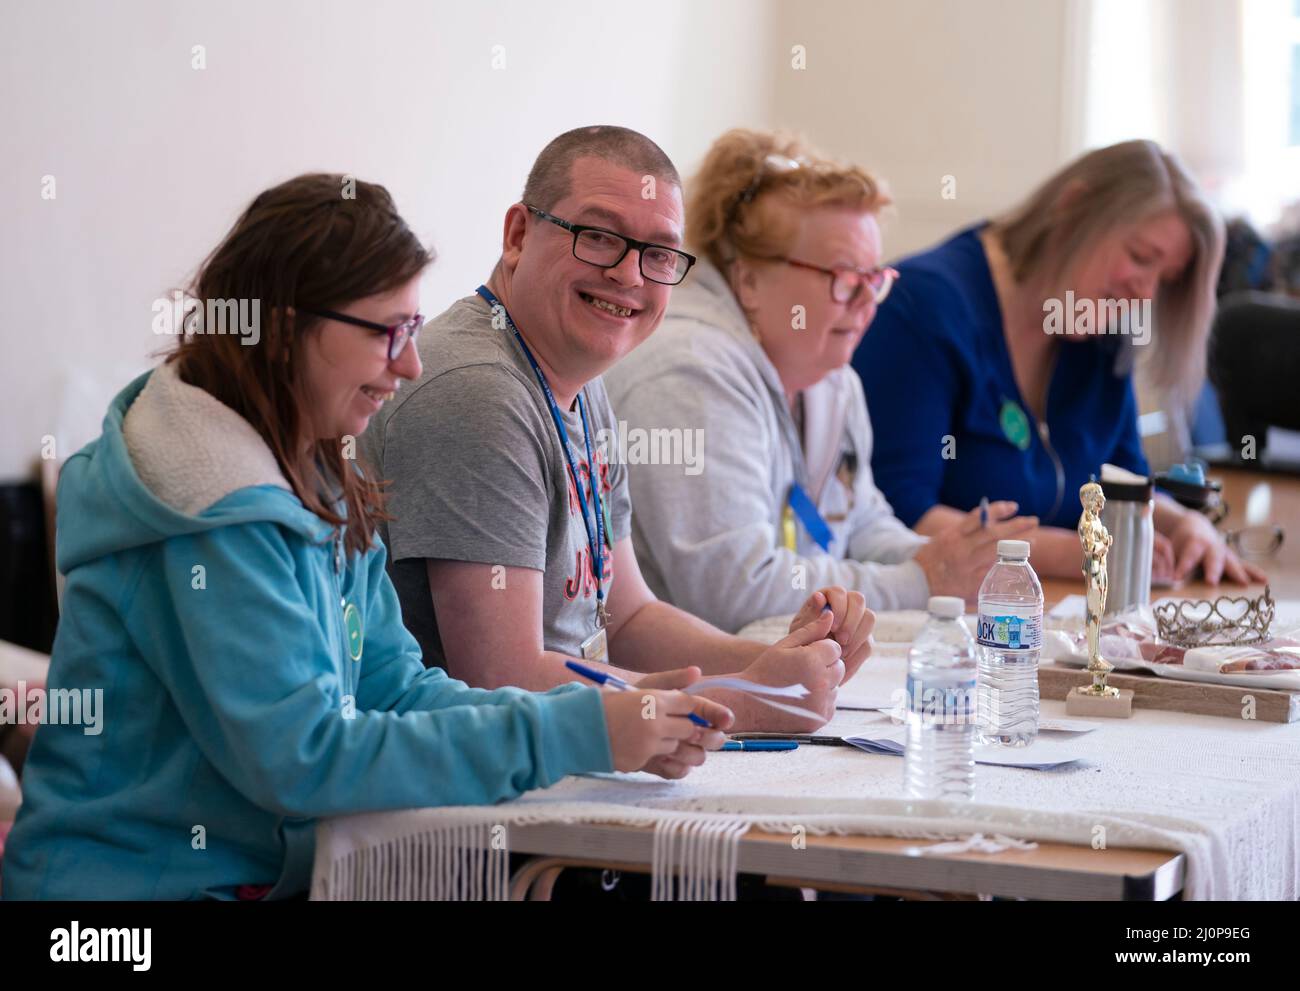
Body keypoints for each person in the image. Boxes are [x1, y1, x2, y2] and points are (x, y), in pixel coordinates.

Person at [1, 174, 727, 901]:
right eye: (389, 332)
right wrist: (575, 735)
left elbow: (392, 685)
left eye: (413, 331)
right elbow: (305, 759)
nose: (410, 365)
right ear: (284, 326)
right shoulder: (211, 507)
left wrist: (587, 714)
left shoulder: (313, 466)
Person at [362, 126, 872, 733]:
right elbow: (501, 677)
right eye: (599, 237)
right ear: (518, 235)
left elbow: (628, 620)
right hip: (461, 794)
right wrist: (740, 701)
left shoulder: (576, 377)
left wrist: (772, 666)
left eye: (658, 254)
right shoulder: (478, 389)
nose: (629, 275)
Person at [604, 129, 1035, 634]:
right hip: (676, 690)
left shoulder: (832, 379)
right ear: (749, 281)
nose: (865, 302)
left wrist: (949, 558)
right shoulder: (689, 374)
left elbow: (859, 524)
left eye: (874, 279)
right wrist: (923, 580)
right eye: (842, 276)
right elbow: (736, 592)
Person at [854, 140, 1267, 584]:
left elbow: (1124, 482)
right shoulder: (922, 308)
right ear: (1072, 209)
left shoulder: (1098, 330)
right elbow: (897, 515)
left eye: (1163, 279)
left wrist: (1186, 525)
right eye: (1140, 258)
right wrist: (1080, 554)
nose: (1145, 294)